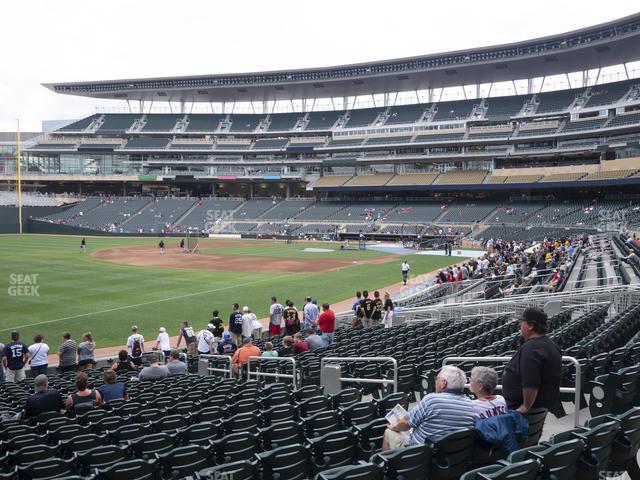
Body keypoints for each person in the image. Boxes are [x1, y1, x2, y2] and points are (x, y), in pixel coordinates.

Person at [382, 366, 474, 451]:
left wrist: (393, 426)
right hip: (453, 454)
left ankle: (382, 465)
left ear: (443, 383)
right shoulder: (471, 404)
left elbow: (405, 423)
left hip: (423, 453)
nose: (435, 382)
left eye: (437, 379)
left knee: (389, 432)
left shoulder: (432, 400)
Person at [502, 307, 562, 416]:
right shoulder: (551, 345)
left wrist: (526, 406)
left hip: (521, 412)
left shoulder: (531, 349)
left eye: (522, 322)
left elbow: (530, 382)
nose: (520, 326)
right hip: (539, 409)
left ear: (530, 325)